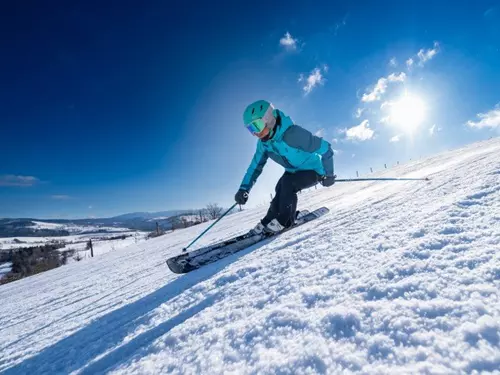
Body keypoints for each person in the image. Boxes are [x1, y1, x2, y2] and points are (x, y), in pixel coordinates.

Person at [235, 99, 335, 235]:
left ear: (269, 119)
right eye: (250, 129)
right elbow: (254, 167)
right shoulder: (264, 144)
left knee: (288, 183)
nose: (255, 133)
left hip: (313, 171)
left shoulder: (293, 134)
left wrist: (328, 175)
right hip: (292, 171)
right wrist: (243, 189)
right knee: (280, 186)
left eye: (256, 126)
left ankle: (285, 221)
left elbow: (326, 149)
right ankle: (267, 220)